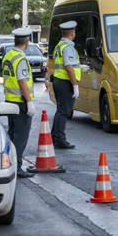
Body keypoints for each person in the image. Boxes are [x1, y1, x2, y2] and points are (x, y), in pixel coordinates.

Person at [2, 27, 35, 178]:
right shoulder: (20, 59)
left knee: (13, 135)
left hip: (9, 100)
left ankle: (10, 163)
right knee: (20, 137)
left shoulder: (8, 55)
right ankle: (17, 166)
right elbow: (22, 82)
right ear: (27, 41)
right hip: (20, 103)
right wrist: (29, 102)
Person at [51, 20, 81, 149]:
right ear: (72, 33)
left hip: (58, 80)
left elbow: (69, 65)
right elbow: (68, 67)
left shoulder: (59, 45)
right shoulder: (68, 47)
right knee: (64, 112)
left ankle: (55, 136)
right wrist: (75, 85)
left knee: (60, 110)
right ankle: (60, 139)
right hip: (65, 82)